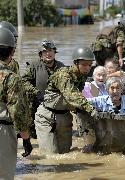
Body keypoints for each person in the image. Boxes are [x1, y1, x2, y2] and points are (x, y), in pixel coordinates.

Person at [34, 47, 97, 154]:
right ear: (76, 63)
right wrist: (91, 109)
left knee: (65, 154)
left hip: (64, 117)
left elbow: (76, 102)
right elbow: (72, 95)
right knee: (50, 156)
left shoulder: (81, 78)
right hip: (47, 117)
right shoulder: (64, 75)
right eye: (84, 64)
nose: (87, 68)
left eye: (90, 65)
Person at [0, 28, 31, 179]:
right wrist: (26, 138)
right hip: (3, 131)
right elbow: (17, 112)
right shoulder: (11, 77)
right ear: (12, 51)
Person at [22, 39, 65, 138]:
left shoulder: (61, 67)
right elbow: (23, 82)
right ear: (40, 54)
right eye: (45, 51)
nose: (48, 53)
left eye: (50, 51)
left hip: (56, 106)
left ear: (54, 52)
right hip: (36, 106)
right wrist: (36, 92)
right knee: (35, 136)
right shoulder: (33, 66)